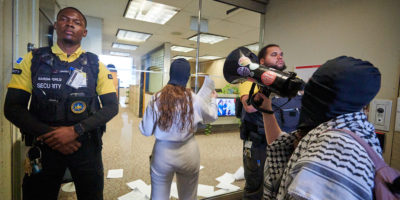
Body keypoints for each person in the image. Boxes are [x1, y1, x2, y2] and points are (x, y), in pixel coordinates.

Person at [4, 7, 118, 200]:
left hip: (85, 146)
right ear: (56, 26)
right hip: (45, 146)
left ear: (84, 32)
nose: (70, 23)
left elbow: (111, 106)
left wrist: (74, 131)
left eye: (77, 22)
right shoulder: (33, 60)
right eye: (65, 19)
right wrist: (52, 135)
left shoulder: (95, 64)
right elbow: (13, 107)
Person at [257, 56, 382, 200]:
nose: (304, 94)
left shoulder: (337, 148)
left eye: (312, 88)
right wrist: (266, 110)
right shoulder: (344, 126)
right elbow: (281, 146)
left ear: (326, 96)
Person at [139, 58, 218, 200]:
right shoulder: (195, 99)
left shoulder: (156, 98)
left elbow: (145, 131)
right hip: (189, 154)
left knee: (158, 197)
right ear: (187, 77)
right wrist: (213, 99)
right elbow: (212, 117)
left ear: (170, 74)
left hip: (162, 155)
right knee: (188, 196)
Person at [238, 44, 302, 199]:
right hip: (259, 144)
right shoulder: (248, 81)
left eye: (281, 54)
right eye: (274, 54)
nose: (279, 57)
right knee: (256, 185)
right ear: (261, 60)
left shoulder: (290, 80)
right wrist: (267, 86)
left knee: (281, 184)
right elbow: (249, 106)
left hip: (285, 142)